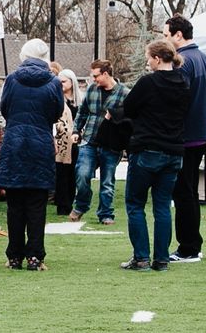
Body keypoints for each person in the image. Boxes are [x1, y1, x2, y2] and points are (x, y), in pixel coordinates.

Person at [114, 39, 192, 271]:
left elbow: (128, 107)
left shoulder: (148, 82)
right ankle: (161, 259)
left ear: (157, 59)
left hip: (147, 148)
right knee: (162, 206)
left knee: (135, 204)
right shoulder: (183, 82)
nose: (147, 62)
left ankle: (141, 257)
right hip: (174, 151)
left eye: (149, 57)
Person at [0, 39, 64, 270]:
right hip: (40, 144)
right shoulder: (54, 82)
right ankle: (35, 256)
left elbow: (4, 108)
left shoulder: (12, 80)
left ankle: (14, 256)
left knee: (15, 204)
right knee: (37, 204)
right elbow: (56, 113)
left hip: (15, 142)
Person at [164, 14, 206, 262]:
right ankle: (193, 243)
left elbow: (176, 101)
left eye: (166, 35)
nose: (165, 40)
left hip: (185, 136)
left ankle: (188, 247)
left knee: (182, 193)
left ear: (178, 35)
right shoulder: (205, 59)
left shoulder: (183, 62)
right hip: (201, 134)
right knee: (189, 191)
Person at [71, 60, 127, 224]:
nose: (93, 79)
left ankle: (106, 214)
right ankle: (81, 205)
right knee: (82, 174)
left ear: (105, 74)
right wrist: (76, 130)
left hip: (112, 143)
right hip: (89, 139)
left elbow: (130, 117)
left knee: (107, 181)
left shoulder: (124, 93)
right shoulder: (91, 90)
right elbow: (82, 112)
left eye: (96, 76)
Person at [53, 69, 79, 215]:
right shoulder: (57, 99)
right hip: (61, 141)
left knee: (72, 173)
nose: (61, 84)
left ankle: (70, 200)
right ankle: (63, 205)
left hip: (75, 140)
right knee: (61, 173)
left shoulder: (77, 101)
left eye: (64, 82)